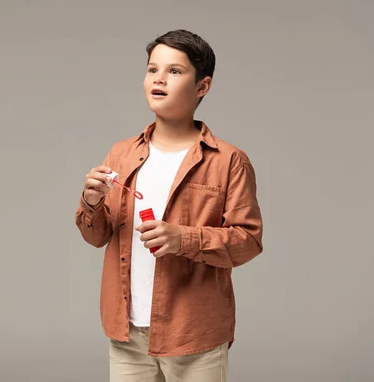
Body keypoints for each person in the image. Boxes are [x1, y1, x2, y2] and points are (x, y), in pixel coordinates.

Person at [74, 29, 264, 382]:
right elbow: (97, 236)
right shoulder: (121, 153)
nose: (159, 79)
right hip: (127, 331)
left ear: (202, 87)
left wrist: (183, 239)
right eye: (152, 70)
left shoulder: (229, 160)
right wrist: (91, 201)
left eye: (174, 71)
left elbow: (248, 241)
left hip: (194, 334)